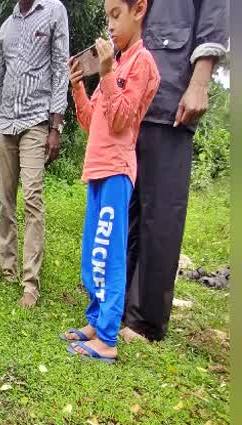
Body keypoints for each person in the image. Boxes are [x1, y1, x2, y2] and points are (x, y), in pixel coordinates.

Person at [120, 0, 228, 342]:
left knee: (161, 210)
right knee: (129, 209)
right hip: (134, 95)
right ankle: (120, 305)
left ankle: (146, 320)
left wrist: (200, 80)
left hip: (171, 90)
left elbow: (213, 11)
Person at [61, 0, 160, 363]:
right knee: (93, 254)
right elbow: (93, 122)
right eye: (107, 17)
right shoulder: (115, 64)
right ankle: (95, 321)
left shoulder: (141, 63)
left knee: (109, 255)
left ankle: (107, 339)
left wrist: (104, 74)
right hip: (97, 169)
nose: (110, 25)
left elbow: (121, 121)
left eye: (116, 14)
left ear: (139, 10)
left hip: (118, 170)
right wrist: (78, 88)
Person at [0, 0, 69, 308]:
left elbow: (60, 69)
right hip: (6, 122)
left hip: (36, 120)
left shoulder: (53, 11)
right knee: (5, 200)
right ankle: (8, 271)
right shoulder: (6, 28)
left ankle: (30, 283)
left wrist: (56, 125)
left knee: (32, 196)